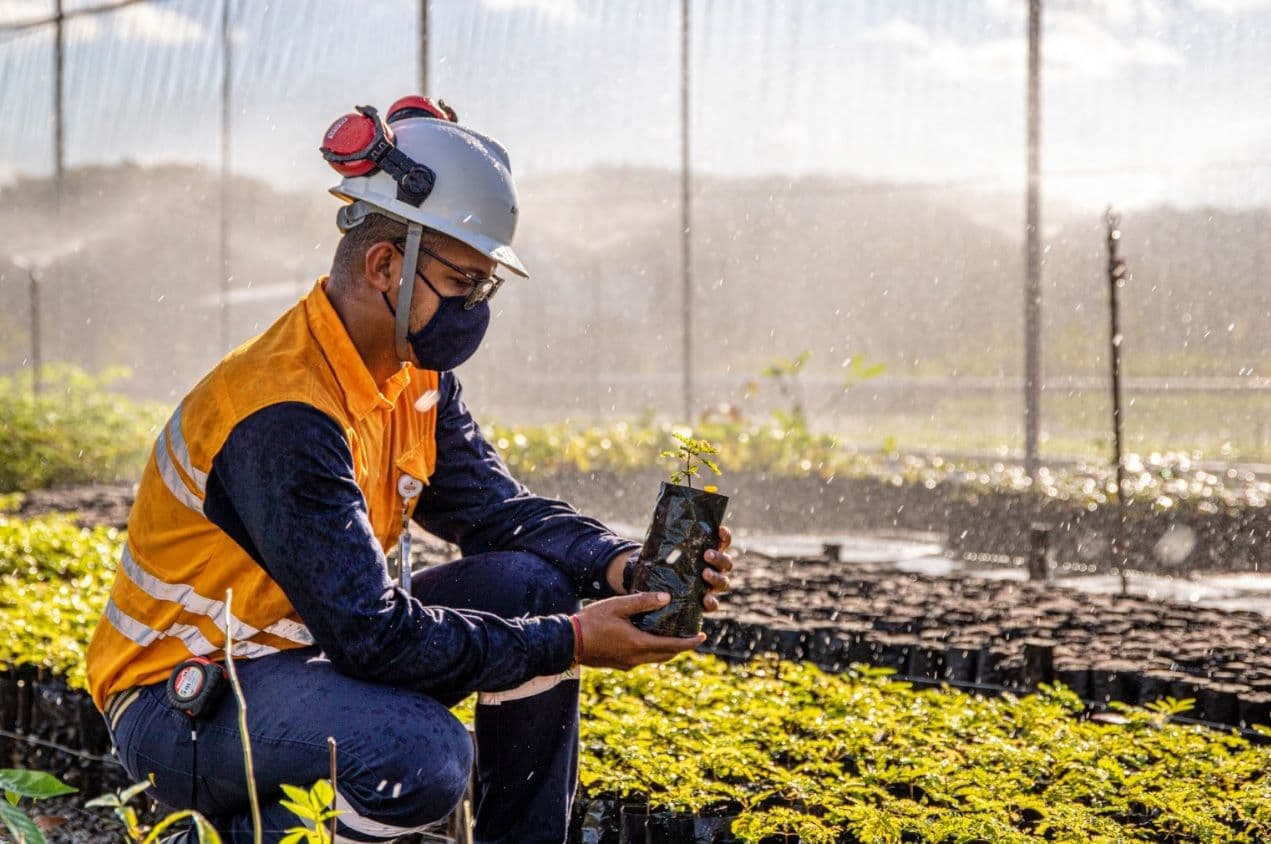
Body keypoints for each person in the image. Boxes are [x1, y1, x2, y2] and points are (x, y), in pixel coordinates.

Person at [84, 96, 733, 844]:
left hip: (303, 660)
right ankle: (235, 827)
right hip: (182, 701)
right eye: (464, 285)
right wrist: (574, 640)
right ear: (386, 265)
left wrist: (623, 565)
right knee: (417, 754)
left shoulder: (410, 375)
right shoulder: (279, 412)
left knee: (529, 585)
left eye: (485, 288)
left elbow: (495, 511)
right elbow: (374, 638)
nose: (475, 309)